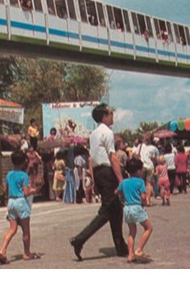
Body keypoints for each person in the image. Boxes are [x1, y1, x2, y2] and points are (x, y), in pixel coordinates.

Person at [69, 103, 128, 261]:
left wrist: (94, 180)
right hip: (108, 173)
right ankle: (80, 239)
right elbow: (112, 157)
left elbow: (92, 158)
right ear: (104, 117)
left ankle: (121, 246)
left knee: (116, 209)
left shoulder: (93, 134)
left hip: (99, 172)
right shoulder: (107, 133)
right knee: (107, 211)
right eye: (110, 113)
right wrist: (121, 181)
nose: (112, 115)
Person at [0, 150, 41, 264]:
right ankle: (26, 253)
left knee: (12, 229)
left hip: (11, 202)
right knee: (26, 230)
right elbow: (25, 192)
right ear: (23, 162)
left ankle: (2, 250)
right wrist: (34, 190)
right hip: (21, 202)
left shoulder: (9, 174)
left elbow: (5, 190)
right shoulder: (24, 175)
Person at [116, 157, 153, 264]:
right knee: (148, 228)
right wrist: (145, 202)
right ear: (138, 171)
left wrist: (124, 196)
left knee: (132, 232)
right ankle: (139, 249)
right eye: (141, 170)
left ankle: (130, 255)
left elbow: (118, 192)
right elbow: (142, 196)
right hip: (137, 207)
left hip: (127, 208)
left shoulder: (124, 182)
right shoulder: (140, 182)